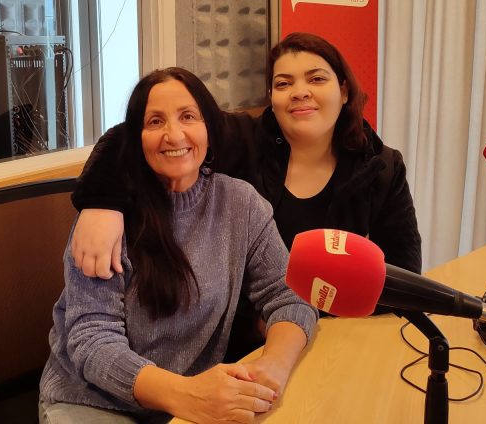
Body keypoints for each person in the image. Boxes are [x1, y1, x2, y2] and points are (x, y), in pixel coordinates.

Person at [39, 67, 318, 423]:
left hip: (188, 402)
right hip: (93, 400)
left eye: (188, 116)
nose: (173, 135)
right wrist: (185, 394)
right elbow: (92, 341)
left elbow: (289, 295)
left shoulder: (240, 203)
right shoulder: (108, 216)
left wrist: (272, 369)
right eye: (155, 122)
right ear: (136, 138)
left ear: (210, 129)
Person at [70, 32, 422, 277]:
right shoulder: (245, 139)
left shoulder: (381, 168)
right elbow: (130, 135)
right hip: (247, 335)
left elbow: (403, 273)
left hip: (342, 329)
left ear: (344, 91)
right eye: (283, 83)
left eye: (316, 79)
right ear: (272, 96)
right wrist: (101, 205)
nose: (299, 92)